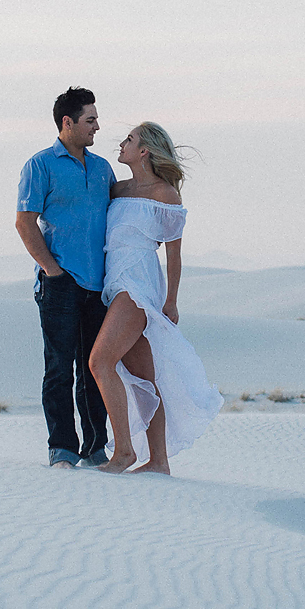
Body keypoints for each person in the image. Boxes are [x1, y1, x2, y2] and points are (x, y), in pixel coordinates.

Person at [89, 121, 221, 473]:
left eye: (129, 140)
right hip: (114, 281)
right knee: (143, 377)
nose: (122, 143)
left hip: (138, 284)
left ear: (144, 150)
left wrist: (171, 302)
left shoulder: (166, 195)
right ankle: (159, 461)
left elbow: (174, 255)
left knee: (100, 362)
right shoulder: (117, 190)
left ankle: (124, 453)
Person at [15, 87, 116, 468]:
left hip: (99, 287)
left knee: (95, 369)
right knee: (59, 368)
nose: (97, 126)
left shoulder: (103, 168)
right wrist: (53, 272)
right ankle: (62, 450)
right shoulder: (40, 165)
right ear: (67, 122)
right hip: (60, 283)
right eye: (90, 120)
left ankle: (94, 449)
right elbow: (25, 223)